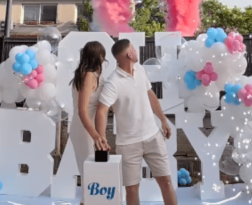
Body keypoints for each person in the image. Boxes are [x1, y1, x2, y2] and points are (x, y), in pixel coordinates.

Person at [95, 40, 176, 205]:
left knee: (166, 181)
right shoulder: (113, 83)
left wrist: (163, 120)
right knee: (131, 189)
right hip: (128, 144)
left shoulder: (140, 69)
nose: (135, 50)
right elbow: (101, 110)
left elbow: (150, 95)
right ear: (129, 54)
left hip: (153, 137)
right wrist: (101, 137)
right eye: (133, 47)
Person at [69, 41, 110, 204]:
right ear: (99, 57)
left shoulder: (85, 74)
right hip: (85, 130)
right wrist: (96, 136)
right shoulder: (89, 75)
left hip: (87, 129)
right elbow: (82, 111)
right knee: (91, 176)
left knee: (91, 176)